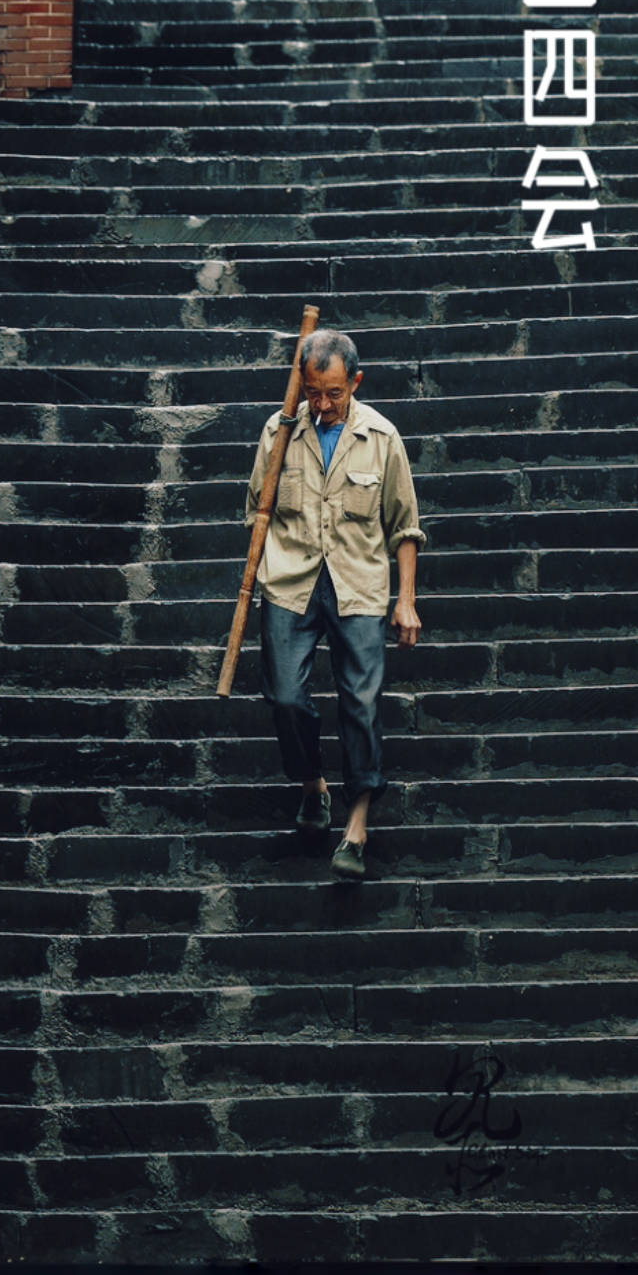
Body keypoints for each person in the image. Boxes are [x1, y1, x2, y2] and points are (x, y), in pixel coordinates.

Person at [247, 328, 425, 879]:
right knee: (283, 694)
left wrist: (407, 601)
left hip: (359, 585)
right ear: (300, 383)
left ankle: (356, 823)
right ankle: (312, 784)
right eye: (313, 392)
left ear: (355, 382)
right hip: (290, 582)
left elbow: (405, 526)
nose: (322, 404)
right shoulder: (279, 431)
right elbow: (257, 506)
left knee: (362, 702)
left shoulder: (382, 436)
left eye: (334, 393)